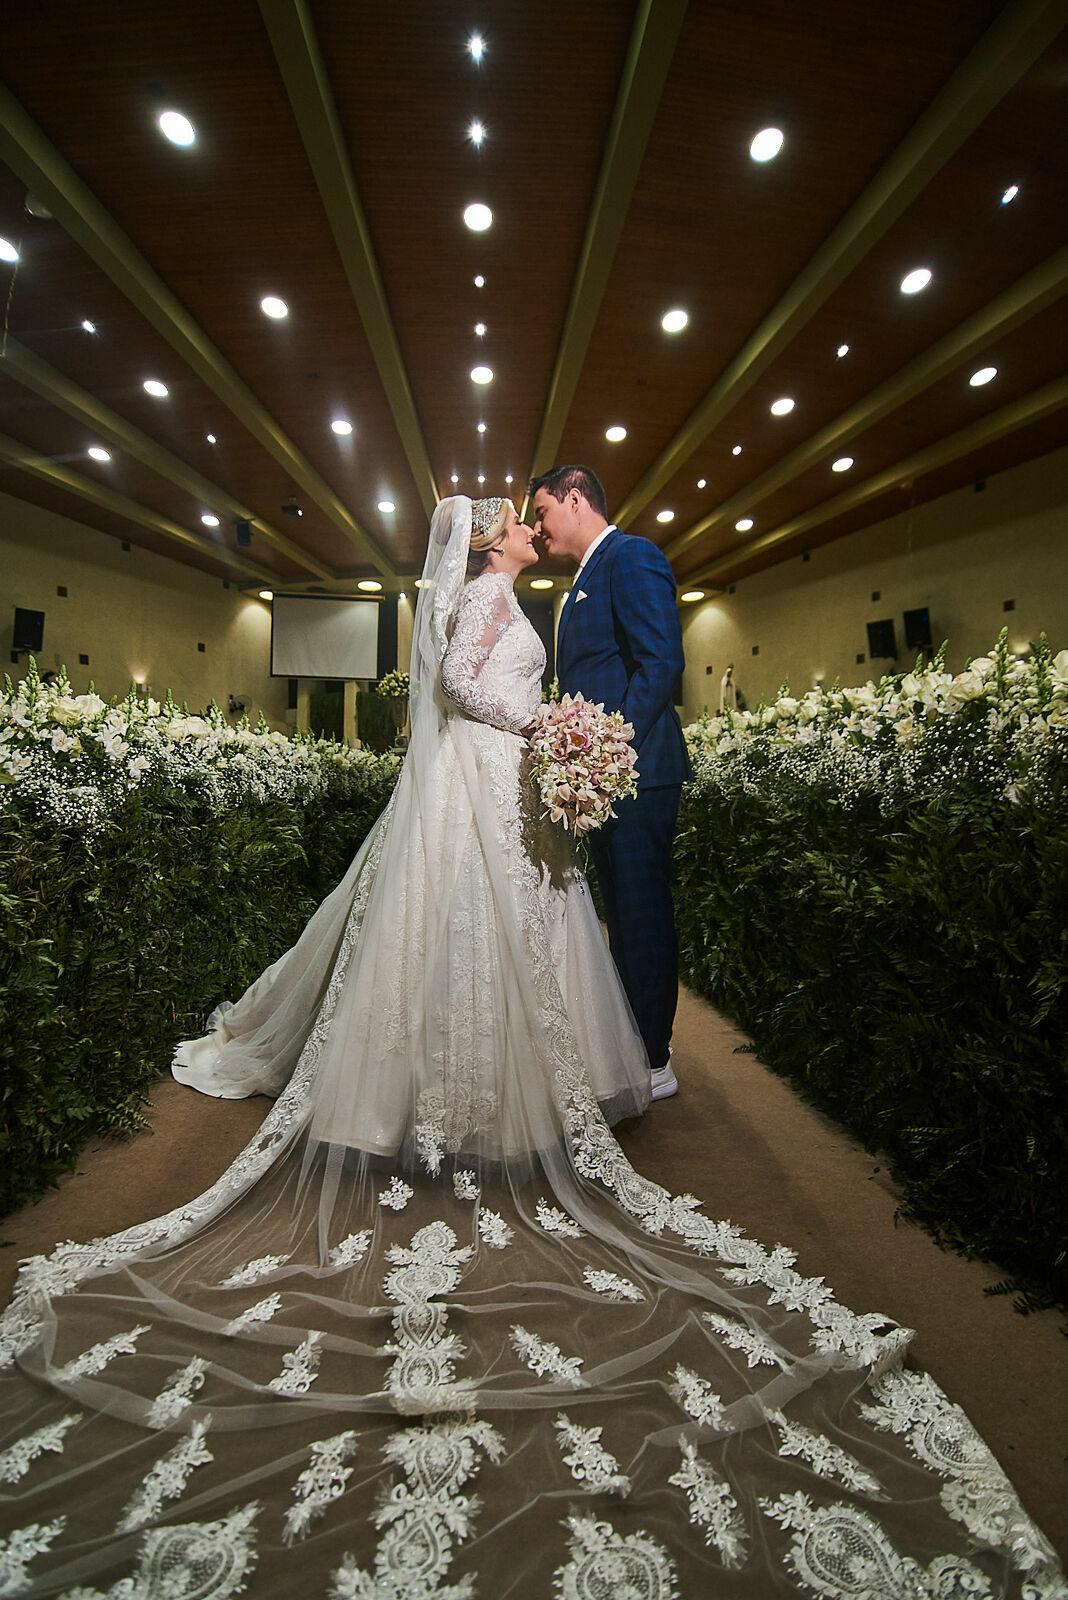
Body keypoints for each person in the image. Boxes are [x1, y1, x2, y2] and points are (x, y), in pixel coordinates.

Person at [0, 497, 1059, 1599]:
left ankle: (507, 1096)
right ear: (486, 538)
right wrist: (539, 723)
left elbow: (490, 683)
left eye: (524, 514)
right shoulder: (485, 593)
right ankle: (445, 1101)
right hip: (486, 779)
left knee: (527, 940)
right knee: (465, 938)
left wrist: (551, 729)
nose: (521, 525)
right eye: (509, 517)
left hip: (510, 783)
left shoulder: (516, 588)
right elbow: (463, 684)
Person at [530, 466, 691, 1101]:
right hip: (601, 778)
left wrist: (609, 749)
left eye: (543, 512)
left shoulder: (632, 556)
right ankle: (632, 1047)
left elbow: (662, 660)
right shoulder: (583, 579)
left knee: (642, 914)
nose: (539, 528)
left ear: (576, 499)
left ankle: (655, 1059)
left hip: (637, 773)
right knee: (621, 918)